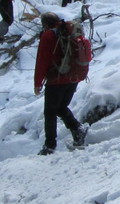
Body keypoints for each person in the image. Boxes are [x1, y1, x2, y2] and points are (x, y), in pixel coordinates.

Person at [33, 12, 89, 155]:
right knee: (60, 107)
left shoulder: (48, 36)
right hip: (73, 76)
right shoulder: (68, 31)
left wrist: (37, 83)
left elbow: (42, 61)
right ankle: (77, 130)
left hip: (57, 79)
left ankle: (50, 146)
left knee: (50, 112)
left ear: (45, 24)